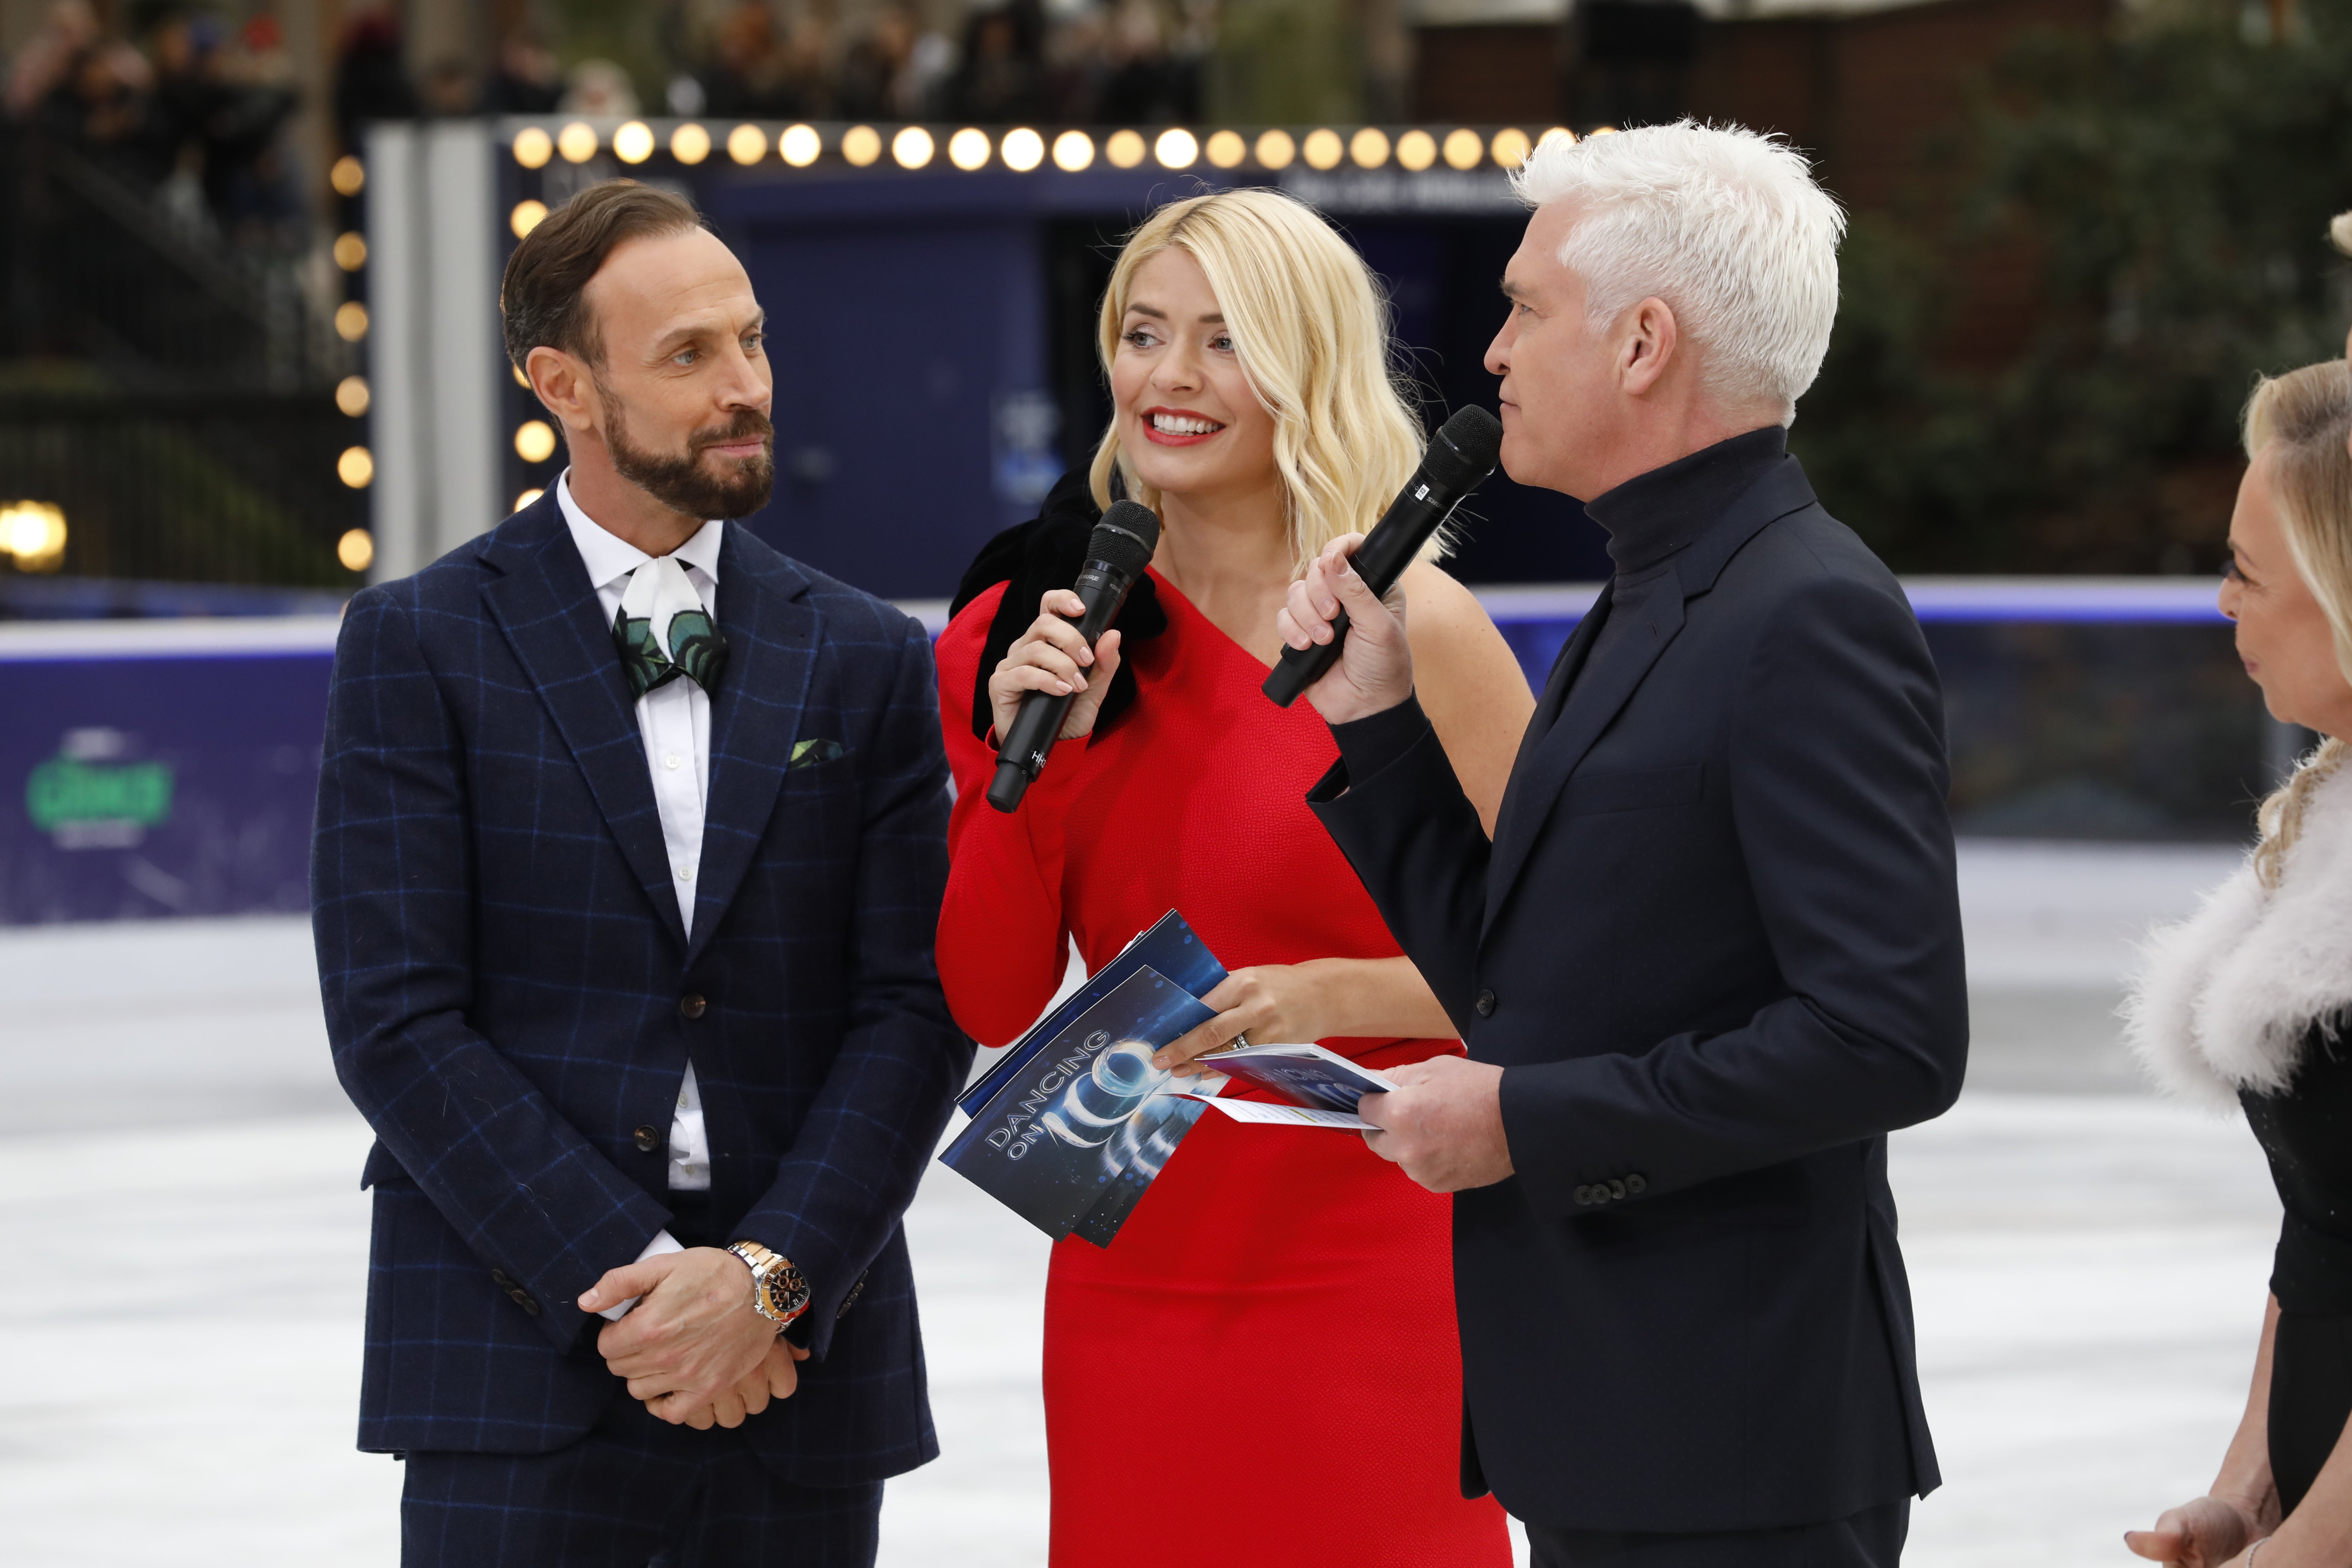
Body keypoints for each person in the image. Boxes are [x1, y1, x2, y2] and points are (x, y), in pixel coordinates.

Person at [1276, 121, 1968, 1566]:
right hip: (1618, 1418)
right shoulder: (1654, 594)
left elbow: (1887, 1039)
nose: (1495, 355)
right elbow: (1529, 985)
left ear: (1645, 342)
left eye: (1528, 308)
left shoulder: (1805, 613)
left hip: (1736, 1442)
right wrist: (1383, 729)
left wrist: (1522, 1122)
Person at [311, 180, 967, 1566]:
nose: (745, 386)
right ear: (567, 385)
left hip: (803, 1363)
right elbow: (398, 1021)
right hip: (511, 1349)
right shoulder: (420, 642)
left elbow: (914, 1008)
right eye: (688, 355)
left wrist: (768, 1280)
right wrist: (641, 1293)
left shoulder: (866, 654)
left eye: (753, 340)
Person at [933, 188, 1533, 1566]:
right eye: (1145, 333)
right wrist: (1038, 777)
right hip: (1131, 1270)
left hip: (1384, 1266)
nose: (1169, 377)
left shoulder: (1422, 633)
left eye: (1223, 339)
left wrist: (1325, 992)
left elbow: (1564, 964)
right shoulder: (1010, 638)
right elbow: (990, 989)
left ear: (1304, 368)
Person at [2121, 357, 2352, 1568]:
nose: (2223, 603)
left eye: (2249, 575)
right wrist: (2252, 1490)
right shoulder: (2328, 825)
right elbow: (2327, 1227)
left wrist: (2314, 1540)